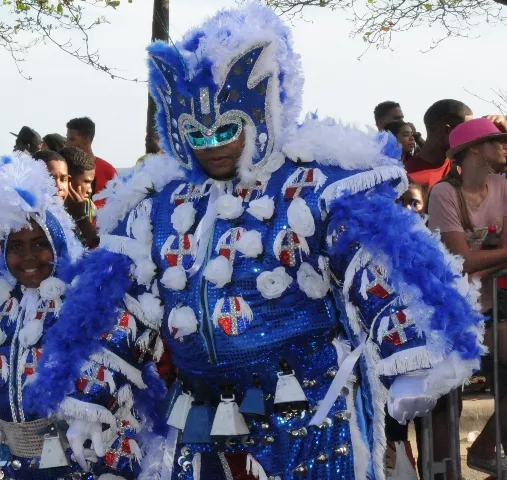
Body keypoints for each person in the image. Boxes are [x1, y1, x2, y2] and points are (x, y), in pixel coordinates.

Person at [35, 7, 484, 478]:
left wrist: (412, 356)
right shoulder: (157, 204)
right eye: (195, 132)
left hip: (310, 411)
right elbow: (123, 305)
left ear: (261, 116)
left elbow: (377, 267)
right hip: (198, 416)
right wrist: (89, 389)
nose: (211, 144)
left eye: (226, 128)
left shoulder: (314, 184)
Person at [0, 153, 156, 479]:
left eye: (39, 243)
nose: (28, 257)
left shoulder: (90, 306)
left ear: (58, 240)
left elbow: (123, 415)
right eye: (16, 246)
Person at [427, 117, 507, 476]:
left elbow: (476, 261)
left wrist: (480, 263)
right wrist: (482, 261)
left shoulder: (503, 186)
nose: (504, 147)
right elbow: (461, 262)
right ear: (474, 148)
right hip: (445, 316)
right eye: (496, 141)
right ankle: (449, 469)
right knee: (444, 405)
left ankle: (486, 446)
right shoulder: (444, 193)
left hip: (487, 307)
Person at [404, 99, 473, 190]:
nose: (472, 137)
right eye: (467, 131)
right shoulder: (404, 178)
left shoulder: (465, 168)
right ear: (447, 131)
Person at [65, 117, 117, 202]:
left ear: (86, 140)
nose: (67, 143)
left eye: (72, 139)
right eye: (67, 138)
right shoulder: (62, 168)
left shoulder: (108, 171)